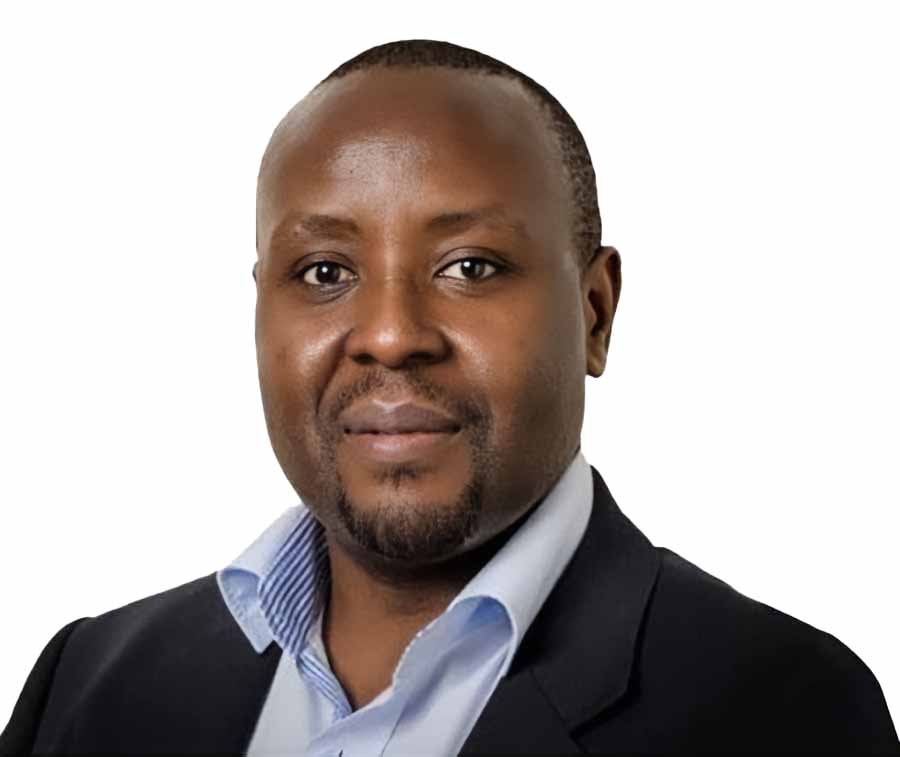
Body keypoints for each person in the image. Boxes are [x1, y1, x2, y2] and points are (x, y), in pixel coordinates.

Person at [2, 38, 897, 756]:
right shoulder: (88, 685)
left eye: (471, 267)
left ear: (594, 313)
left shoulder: (781, 710)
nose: (392, 334)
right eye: (324, 271)